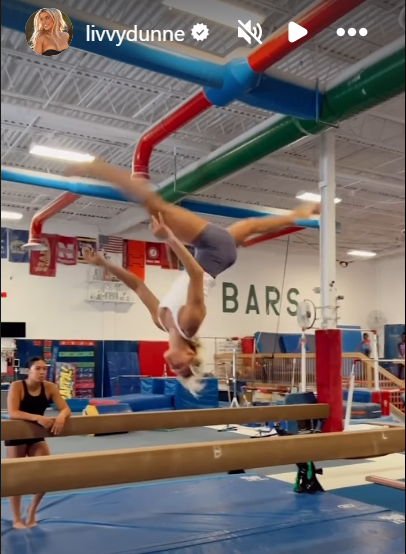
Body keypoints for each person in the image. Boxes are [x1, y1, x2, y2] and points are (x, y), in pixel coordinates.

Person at [68, 159, 319, 393]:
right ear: (190, 355)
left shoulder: (162, 322)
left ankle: (297, 215)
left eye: (174, 370)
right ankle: (97, 167)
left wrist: (103, 262)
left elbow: (138, 285)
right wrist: (170, 239)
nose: (173, 366)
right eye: (180, 367)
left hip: (214, 256)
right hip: (213, 252)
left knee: (251, 225)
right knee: (155, 206)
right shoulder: (189, 324)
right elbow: (196, 274)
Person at [5, 357, 71, 529]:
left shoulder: (49, 387)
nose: (42, 372)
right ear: (29, 371)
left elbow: (65, 408)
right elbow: (13, 412)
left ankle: (32, 509)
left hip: (35, 435)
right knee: (16, 478)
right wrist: (38, 417)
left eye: (44, 369)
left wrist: (61, 417)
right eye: (38, 369)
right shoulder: (17, 386)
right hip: (16, 434)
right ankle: (17, 518)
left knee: (46, 474)